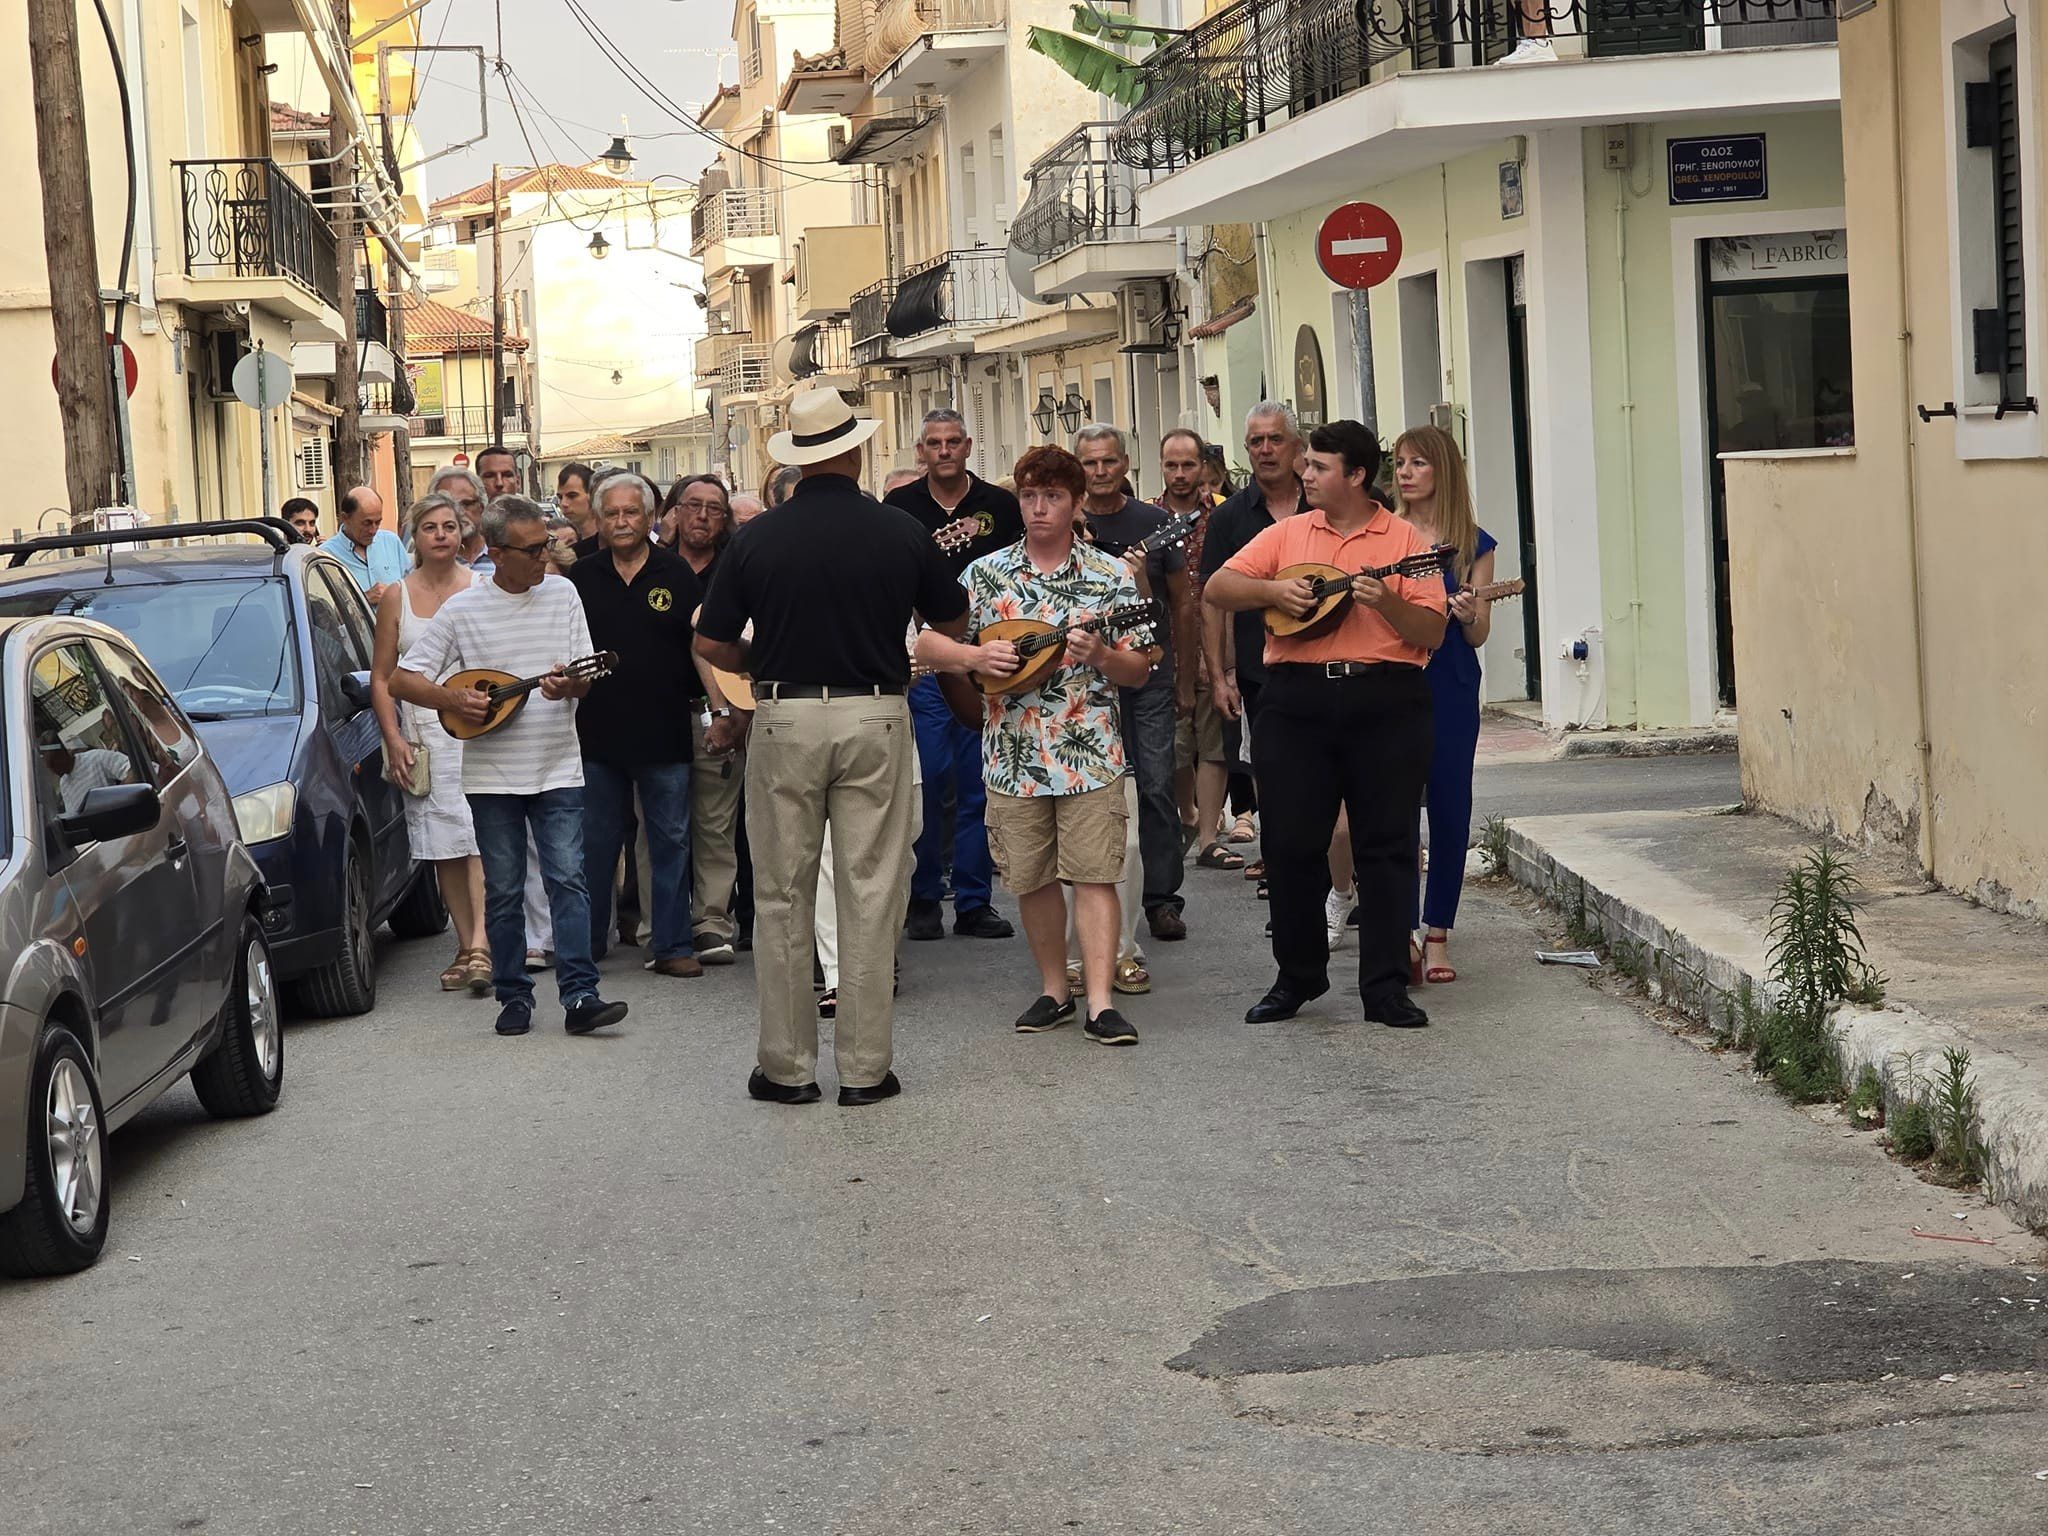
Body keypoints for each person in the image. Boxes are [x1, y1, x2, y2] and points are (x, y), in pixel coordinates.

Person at [695, 387, 970, 1109]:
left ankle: (787, 1069)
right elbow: (951, 621)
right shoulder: (900, 531)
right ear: (855, 451)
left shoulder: (757, 538)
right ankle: (865, 1070)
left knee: (782, 894)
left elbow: (711, 643)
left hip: (785, 715)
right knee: (871, 890)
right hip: (875, 712)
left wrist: (763, 657)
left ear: (798, 458)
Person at [1204, 420, 1447, 1029]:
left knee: (1387, 844)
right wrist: (1273, 593)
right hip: (1296, 699)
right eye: (1306, 464)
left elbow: (1433, 632)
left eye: (1317, 466)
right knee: (1289, 842)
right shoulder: (1288, 533)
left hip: (1386, 698)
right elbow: (1218, 586)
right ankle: (1298, 976)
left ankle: (1385, 988)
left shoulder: (1406, 541)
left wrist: (1387, 602)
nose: (1304, 474)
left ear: (1356, 475)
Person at [914, 444, 1151, 1044]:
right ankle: (1053, 991)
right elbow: (926, 644)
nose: (1039, 507)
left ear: (1076, 504)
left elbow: (1141, 667)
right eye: (1029, 496)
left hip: (1089, 753)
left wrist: (1103, 655)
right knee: (1033, 878)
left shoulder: (1112, 575)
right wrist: (974, 657)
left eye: (1053, 496)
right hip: (1011, 756)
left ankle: (1100, 1003)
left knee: (1095, 875)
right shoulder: (984, 574)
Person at [390, 496, 628, 1039]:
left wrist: (570, 686)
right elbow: (403, 678)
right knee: (502, 889)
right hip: (491, 775)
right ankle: (514, 994)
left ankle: (580, 994)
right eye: (533, 549)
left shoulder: (564, 594)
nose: (545, 556)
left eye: (547, 544)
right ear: (497, 554)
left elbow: (585, 680)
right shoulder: (463, 610)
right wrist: (453, 700)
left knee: (569, 880)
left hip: (557, 766)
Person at [885, 408, 1021, 944]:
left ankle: (973, 901)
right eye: (934, 443)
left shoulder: (1000, 505)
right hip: (923, 659)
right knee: (928, 779)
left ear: (967, 447)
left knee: (976, 783)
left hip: (988, 657)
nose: (943, 450)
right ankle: (923, 897)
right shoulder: (899, 508)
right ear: (921, 451)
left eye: (952, 442)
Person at [567, 473, 707, 979]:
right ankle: (586, 945)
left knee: (670, 841)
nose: (622, 522)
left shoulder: (676, 573)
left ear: (650, 518)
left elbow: (700, 647)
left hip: (664, 730)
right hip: (596, 734)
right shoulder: (579, 578)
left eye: (631, 512)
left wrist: (719, 710)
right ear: (599, 520)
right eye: (612, 513)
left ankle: (671, 945)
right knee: (595, 844)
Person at [1071, 424, 1189, 942]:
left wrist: (1186, 675)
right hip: (1082, 677)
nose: (1100, 472)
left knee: (1157, 784)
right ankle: (1098, 897)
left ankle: (1161, 898)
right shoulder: (1063, 521)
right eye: (1090, 462)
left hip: (1150, 673)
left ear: (1125, 463)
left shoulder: (1156, 524)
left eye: (1108, 461)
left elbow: (1180, 604)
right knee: (1093, 789)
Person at [369, 493, 490, 995]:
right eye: (430, 527)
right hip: (423, 737)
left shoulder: (481, 589)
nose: (441, 535)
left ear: (462, 534)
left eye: (449, 526)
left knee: (480, 837)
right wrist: (393, 737)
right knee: (444, 846)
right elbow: (381, 678)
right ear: (414, 538)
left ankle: (482, 944)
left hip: (480, 733)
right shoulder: (397, 595)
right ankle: (465, 944)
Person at [1392, 425, 1495, 987]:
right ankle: (1403, 930)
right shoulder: (1384, 535)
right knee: (1396, 809)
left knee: (1451, 808)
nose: (1405, 473)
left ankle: (1438, 934)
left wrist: (1470, 614)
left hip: (1451, 683)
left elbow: (1479, 635)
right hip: (1395, 681)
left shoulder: (1474, 543)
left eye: (1418, 463)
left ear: (1443, 471)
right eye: (1399, 463)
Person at [1200, 404, 1308, 893]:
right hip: (1258, 669)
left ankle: (1334, 877)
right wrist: (1219, 676)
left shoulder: (1324, 503)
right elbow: (1212, 600)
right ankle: (1284, 875)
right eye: (1256, 442)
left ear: (1296, 446)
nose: (1265, 450)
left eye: (1275, 439)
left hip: (1326, 664)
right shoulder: (1228, 518)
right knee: (1271, 774)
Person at [1157, 429, 1238, 874]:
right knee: (1174, 745)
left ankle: (1208, 836)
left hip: (1215, 639)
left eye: (1188, 464)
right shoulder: (1149, 518)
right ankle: (1186, 812)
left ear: (1202, 467)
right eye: (1172, 465)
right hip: (1165, 645)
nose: (1181, 474)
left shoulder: (1222, 516)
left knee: (1214, 742)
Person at [323, 486, 407, 605]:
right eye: (366, 523)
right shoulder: (326, 555)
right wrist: (363, 598)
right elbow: (325, 610)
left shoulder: (391, 542)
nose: (373, 530)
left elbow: (415, 589)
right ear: (345, 518)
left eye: (378, 522)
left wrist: (395, 593)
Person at [429, 467, 494, 576]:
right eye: (449, 505)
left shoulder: (502, 558)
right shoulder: (427, 564)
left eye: (466, 504)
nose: (459, 512)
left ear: (482, 507)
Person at [556, 462, 597, 547]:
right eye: (560, 497)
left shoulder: (610, 541)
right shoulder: (569, 544)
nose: (563, 503)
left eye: (572, 496)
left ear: (592, 495)